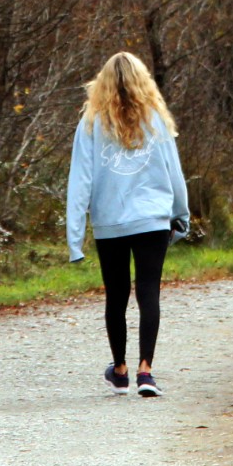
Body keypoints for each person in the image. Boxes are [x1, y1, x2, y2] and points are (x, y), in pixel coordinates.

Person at [66, 50, 190, 398]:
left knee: (116, 294)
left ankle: (119, 369)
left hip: (111, 223)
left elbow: (80, 182)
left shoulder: (90, 124)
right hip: (152, 219)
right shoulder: (156, 120)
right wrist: (181, 214)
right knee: (148, 290)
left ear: (101, 84)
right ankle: (145, 371)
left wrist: (75, 239)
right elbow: (174, 173)